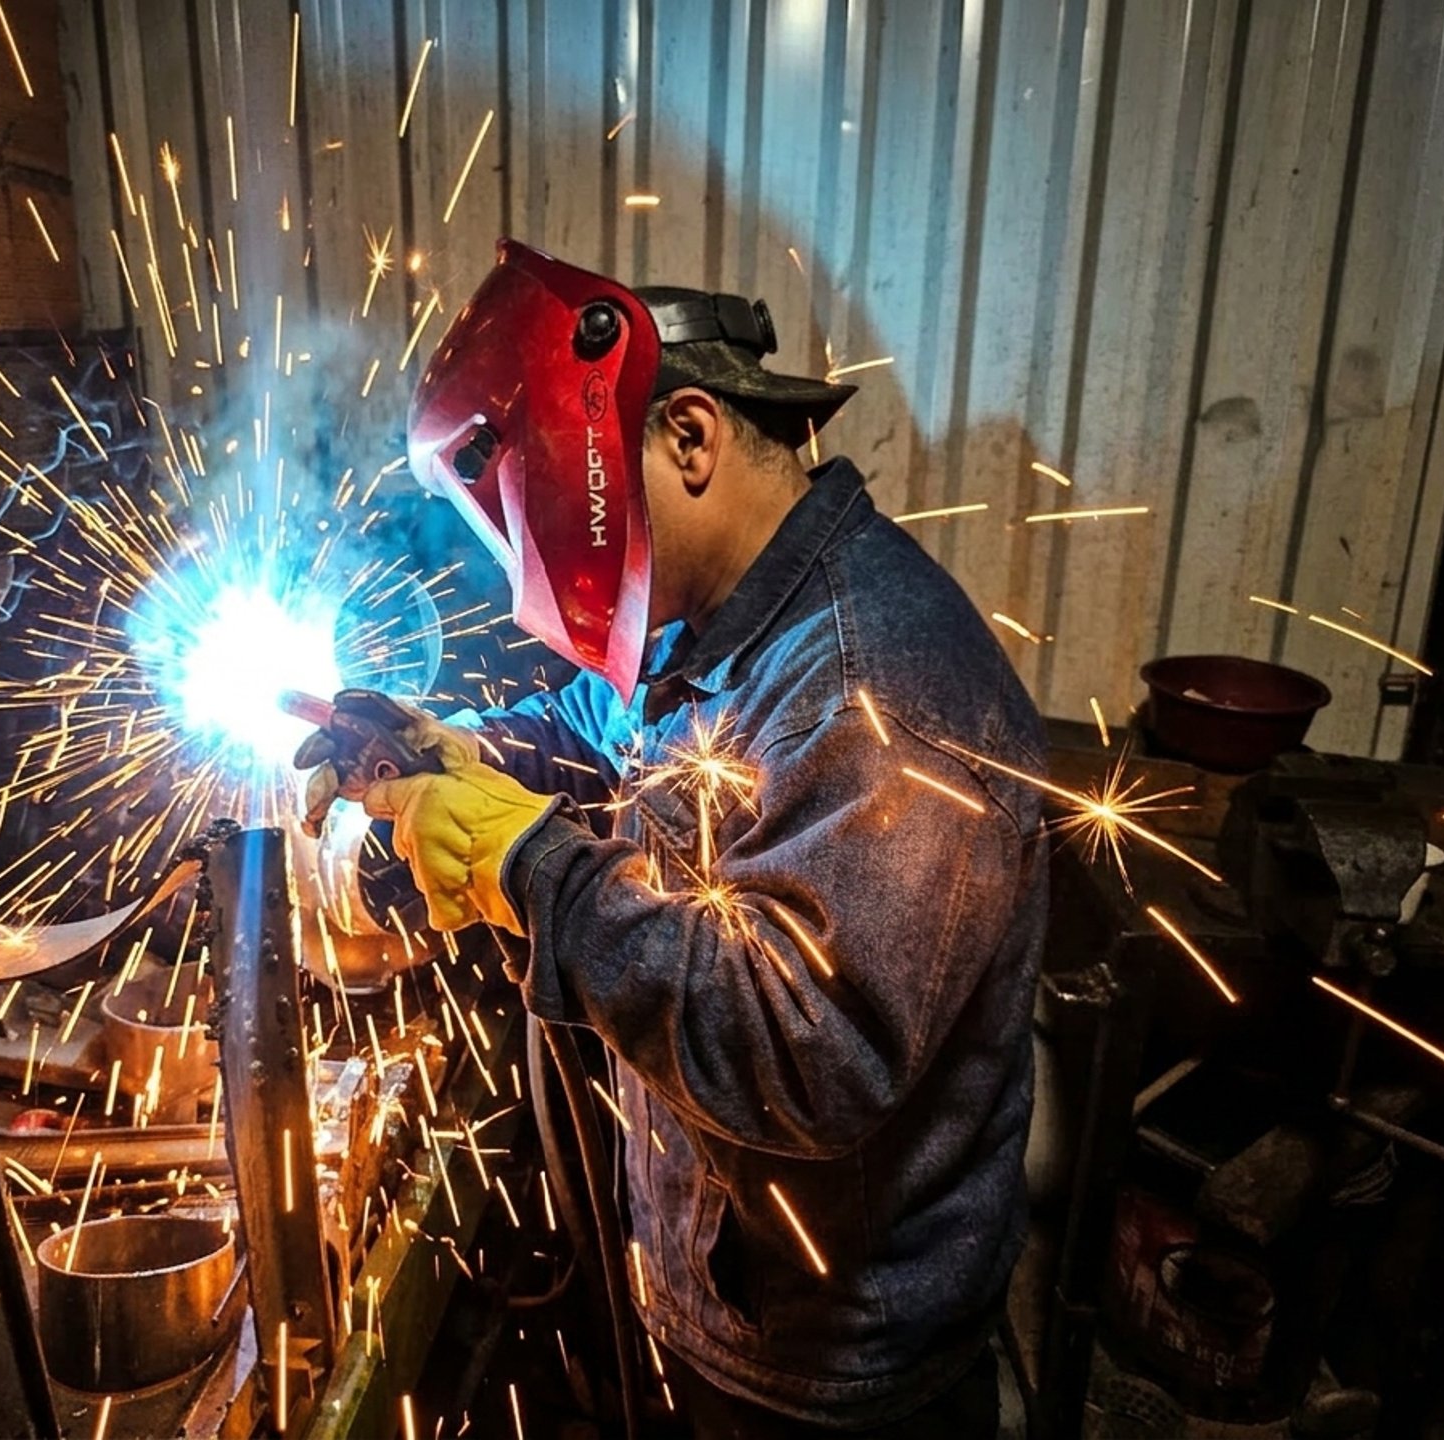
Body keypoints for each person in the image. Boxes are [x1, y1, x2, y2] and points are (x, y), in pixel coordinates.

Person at [301, 240, 1046, 1438]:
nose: (526, 563)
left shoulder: (878, 688)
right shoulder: (730, 624)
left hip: (829, 1386)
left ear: (688, 440)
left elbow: (798, 1050)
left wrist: (526, 864)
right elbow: (613, 728)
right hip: (725, 1302)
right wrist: (463, 747)